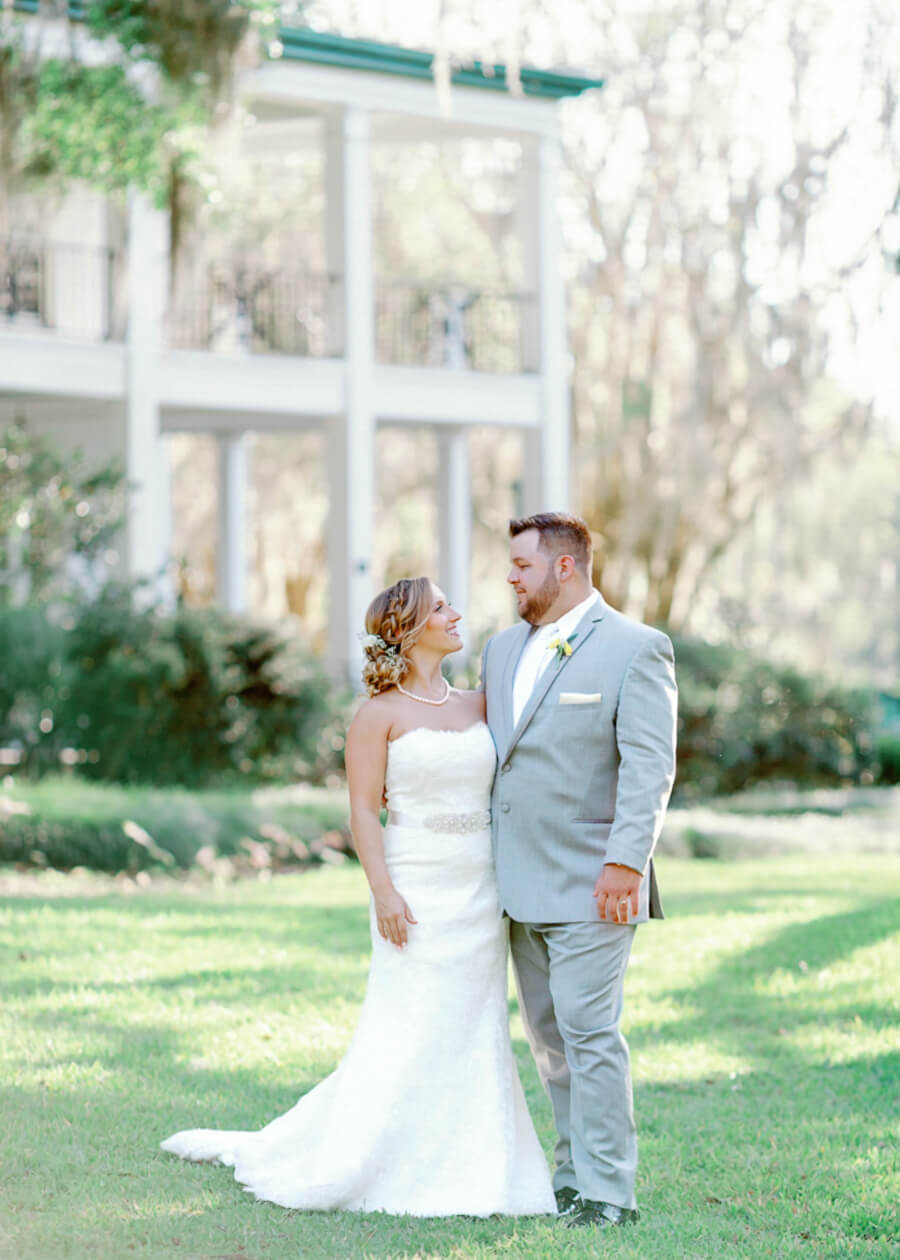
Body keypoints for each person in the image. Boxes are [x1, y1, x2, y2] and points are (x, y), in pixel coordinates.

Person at [160, 576, 556, 1218]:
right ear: (408, 629)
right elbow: (364, 814)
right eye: (441, 608)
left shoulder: (482, 705)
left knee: (474, 1025)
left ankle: (476, 1163)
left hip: (480, 890)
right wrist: (384, 893)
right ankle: (368, 1154)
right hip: (414, 885)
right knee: (408, 1022)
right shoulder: (378, 715)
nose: (457, 615)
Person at [481, 512, 677, 1230]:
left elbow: (650, 768)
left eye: (522, 565)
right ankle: (569, 1179)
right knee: (550, 1042)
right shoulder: (500, 651)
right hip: (512, 885)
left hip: (596, 881)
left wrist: (626, 862)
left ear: (565, 567)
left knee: (591, 1035)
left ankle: (609, 1193)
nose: (511, 577)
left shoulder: (636, 649)